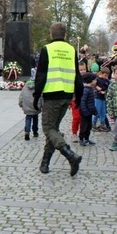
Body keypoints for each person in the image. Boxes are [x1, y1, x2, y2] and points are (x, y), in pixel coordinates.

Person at [31, 22, 83, 176]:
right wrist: (78, 96)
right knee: (53, 129)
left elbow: (41, 76)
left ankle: (70, 155)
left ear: (51, 34)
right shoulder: (71, 50)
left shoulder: (47, 49)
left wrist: (36, 96)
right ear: (65, 35)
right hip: (66, 96)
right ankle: (45, 163)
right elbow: (77, 76)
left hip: (52, 95)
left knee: (48, 129)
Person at [79, 72, 97, 146]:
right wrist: (84, 111)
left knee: (89, 126)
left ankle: (87, 138)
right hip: (85, 112)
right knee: (84, 126)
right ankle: (81, 138)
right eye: (95, 80)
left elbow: (92, 102)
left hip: (89, 112)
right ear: (91, 80)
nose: (96, 81)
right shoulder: (86, 90)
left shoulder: (90, 89)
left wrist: (94, 110)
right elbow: (82, 102)